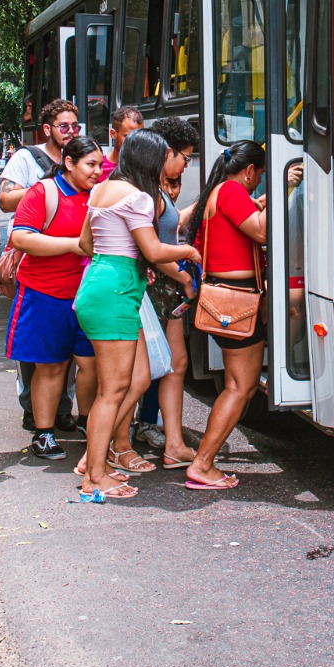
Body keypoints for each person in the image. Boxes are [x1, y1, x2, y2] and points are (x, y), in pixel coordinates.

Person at [72, 130, 201, 500]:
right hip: (117, 292)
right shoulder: (139, 197)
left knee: (116, 387)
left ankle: (96, 467)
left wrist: (123, 255)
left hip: (98, 280)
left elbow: (85, 244)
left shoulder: (103, 189)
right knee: (112, 391)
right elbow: (155, 249)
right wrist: (189, 253)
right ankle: (95, 476)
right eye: (163, 158)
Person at [5, 135, 103, 461]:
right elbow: (21, 237)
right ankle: (43, 434)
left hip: (88, 297)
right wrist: (74, 244)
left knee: (91, 366)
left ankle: (88, 424)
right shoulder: (44, 192)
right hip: (46, 294)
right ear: (70, 163)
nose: (97, 171)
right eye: (91, 164)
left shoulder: (99, 195)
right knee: (51, 367)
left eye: (100, 165)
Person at [181, 141, 268, 491]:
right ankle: (202, 464)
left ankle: (203, 462)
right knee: (240, 386)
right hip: (237, 299)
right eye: (260, 176)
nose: (259, 183)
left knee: (239, 385)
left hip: (227, 296)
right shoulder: (232, 190)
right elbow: (260, 230)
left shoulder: (219, 190)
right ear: (249, 171)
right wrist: (285, 188)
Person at [0, 98, 81, 428]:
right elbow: (5, 198)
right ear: (47, 129)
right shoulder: (26, 158)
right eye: (64, 127)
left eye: (75, 126)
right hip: (33, 261)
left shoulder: (82, 158)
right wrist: (49, 185)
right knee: (36, 347)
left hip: (73, 266)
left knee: (72, 346)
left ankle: (62, 407)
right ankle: (33, 408)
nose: (71, 132)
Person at [132, 116, 200, 464]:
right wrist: (186, 277)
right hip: (156, 291)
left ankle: (173, 443)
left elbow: (170, 228)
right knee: (141, 374)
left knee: (176, 363)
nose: (185, 165)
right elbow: (154, 250)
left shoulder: (157, 191)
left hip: (168, 291)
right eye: (185, 158)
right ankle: (113, 448)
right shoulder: (147, 193)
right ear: (167, 151)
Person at [103, 106, 144, 179]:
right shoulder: (99, 168)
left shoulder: (144, 168)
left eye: (139, 137)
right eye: (128, 136)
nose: (135, 142)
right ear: (113, 134)